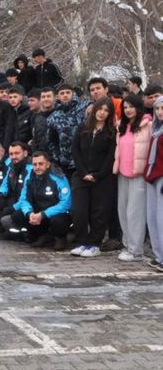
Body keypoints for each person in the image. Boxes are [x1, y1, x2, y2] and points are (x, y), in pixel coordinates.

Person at [68, 99, 116, 257]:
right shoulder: (83, 128)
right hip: (81, 176)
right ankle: (80, 241)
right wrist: (83, 173)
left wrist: (97, 175)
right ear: (94, 110)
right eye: (100, 109)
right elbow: (75, 150)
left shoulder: (111, 132)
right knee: (79, 211)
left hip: (102, 178)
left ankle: (95, 243)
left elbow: (110, 157)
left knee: (99, 212)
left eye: (106, 110)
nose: (102, 112)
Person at [113, 94, 151, 262]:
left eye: (131, 106)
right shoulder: (122, 126)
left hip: (139, 175)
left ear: (138, 107)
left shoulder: (147, 125)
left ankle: (136, 250)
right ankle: (128, 244)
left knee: (135, 213)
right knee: (123, 211)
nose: (128, 110)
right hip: (122, 173)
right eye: (125, 107)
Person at [8, 151, 72, 251]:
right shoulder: (29, 177)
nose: (37, 167)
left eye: (41, 164)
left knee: (58, 221)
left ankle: (60, 238)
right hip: (39, 213)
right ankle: (42, 235)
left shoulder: (59, 177)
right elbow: (24, 199)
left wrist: (44, 214)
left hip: (57, 213)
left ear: (48, 164)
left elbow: (66, 203)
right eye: (35, 164)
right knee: (18, 215)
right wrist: (29, 213)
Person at [47, 83, 88, 173]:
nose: (65, 95)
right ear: (58, 96)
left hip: (85, 160)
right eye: (62, 93)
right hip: (65, 163)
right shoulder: (53, 116)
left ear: (72, 94)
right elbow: (51, 140)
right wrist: (57, 157)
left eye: (67, 92)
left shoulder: (84, 108)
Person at [0, 142, 33, 237]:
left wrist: (13, 208)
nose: (13, 156)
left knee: (11, 216)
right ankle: (10, 229)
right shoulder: (11, 167)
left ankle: (22, 234)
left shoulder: (31, 168)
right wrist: (0, 195)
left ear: (25, 153)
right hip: (16, 200)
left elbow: (27, 195)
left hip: (28, 204)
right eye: (11, 154)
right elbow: (5, 184)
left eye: (17, 153)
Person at [144, 97, 163, 271]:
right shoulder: (156, 130)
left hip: (161, 177)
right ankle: (159, 256)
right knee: (153, 218)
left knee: (161, 218)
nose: (160, 112)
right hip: (152, 176)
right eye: (157, 108)